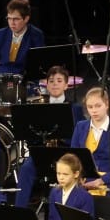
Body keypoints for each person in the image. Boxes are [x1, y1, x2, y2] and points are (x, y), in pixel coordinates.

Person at [12, 66, 85, 209]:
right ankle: (19, 211)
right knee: (26, 168)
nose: (55, 84)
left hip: (66, 153)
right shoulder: (37, 107)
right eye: (51, 81)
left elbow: (80, 135)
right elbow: (29, 136)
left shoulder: (75, 108)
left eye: (59, 81)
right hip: (42, 153)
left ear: (66, 85)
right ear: (46, 84)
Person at [71, 86, 110, 204]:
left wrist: (101, 181)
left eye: (98, 106)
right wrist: (78, 178)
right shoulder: (80, 126)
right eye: (90, 107)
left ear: (107, 105)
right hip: (84, 181)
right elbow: (73, 159)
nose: (94, 110)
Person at [0, 0, 46, 76]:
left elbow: (39, 64)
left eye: (16, 19)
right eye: (9, 18)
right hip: (0, 78)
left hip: (23, 79)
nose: (12, 23)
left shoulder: (36, 35)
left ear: (26, 19)